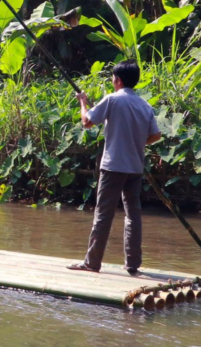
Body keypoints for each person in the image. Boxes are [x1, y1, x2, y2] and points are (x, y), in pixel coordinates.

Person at [68, 60, 163, 276]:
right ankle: (132, 264)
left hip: (113, 167)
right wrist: (137, 141)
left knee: (103, 214)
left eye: (112, 78)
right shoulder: (144, 105)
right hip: (135, 168)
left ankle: (92, 263)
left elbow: (87, 122)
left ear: (117, 80)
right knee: (133, 215)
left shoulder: (112, 99)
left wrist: (83, 102)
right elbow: (156, 135)